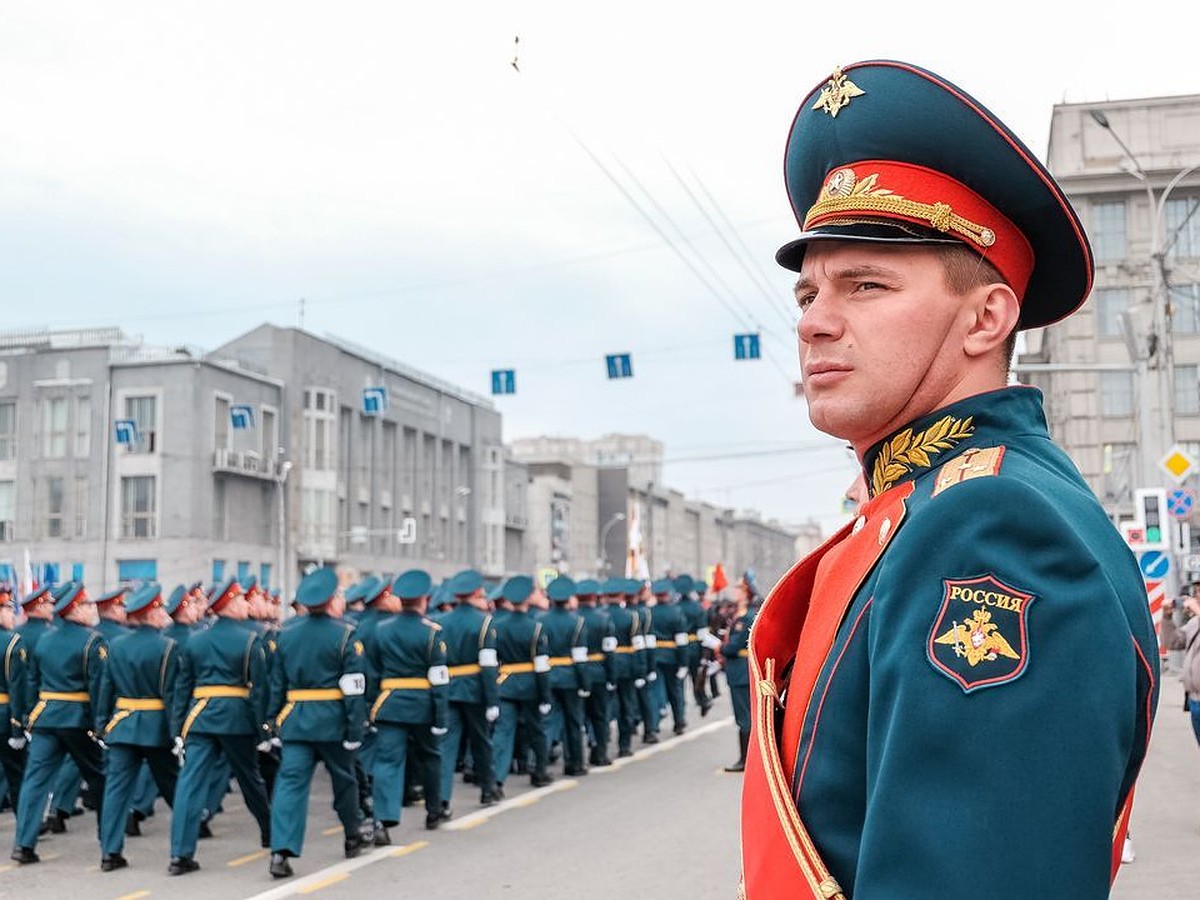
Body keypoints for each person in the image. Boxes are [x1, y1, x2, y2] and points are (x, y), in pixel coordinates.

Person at [739, 60, 1160, 898]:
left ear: (986, 316)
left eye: (866, 284)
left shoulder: (993, 526)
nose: (816, 321)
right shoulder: (923, 507)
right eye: (808, 291)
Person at [266, 567, 367, 879]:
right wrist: (355, 728)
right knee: (344, 780)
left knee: (290, 786)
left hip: (296, 721)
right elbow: (353, 688)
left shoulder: (285, 635)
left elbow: (276, 687)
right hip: (333, 721)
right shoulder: (346, 634)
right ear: (331, 599)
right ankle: (352, 834)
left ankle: (280, 852)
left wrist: (271, 724)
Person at [168, 577, 272, 876]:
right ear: (228, 604)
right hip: (236, 718)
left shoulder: (194, 640)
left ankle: (180, 854)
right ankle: (270, 833)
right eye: (240, 600)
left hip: (199, 717)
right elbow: (259, 690)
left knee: (190, 784)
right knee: (250, 779)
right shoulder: (251, 640)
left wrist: (177, 728)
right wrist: (264, 729)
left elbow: (182, 687)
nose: (245, 605)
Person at [11, 582, 107, 864]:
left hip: (45, 718)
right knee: (99, 777)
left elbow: (31, 682)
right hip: (79, 719)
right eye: (88, 605)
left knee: (35, 782)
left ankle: (23, 845)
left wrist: (29, 717)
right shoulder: (93, 641)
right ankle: (109, 841)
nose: (93, 609)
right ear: (75, 609)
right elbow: (98, 688)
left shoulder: (45, 640)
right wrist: (101, 726)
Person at [94, 582, 180, 872]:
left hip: (122, 725)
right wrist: (177, 731)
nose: (163, 613)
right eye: (159, 608)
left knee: (116, 791)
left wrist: (101, 725)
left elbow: (105, 689)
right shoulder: (167, 647)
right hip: (156, 727)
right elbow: (171, 694)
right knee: (175, 789)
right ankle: (182, 847)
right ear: (149, 612)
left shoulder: (116, 646)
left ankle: (109, 851)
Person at [367, 569, 449, 842]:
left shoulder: (381, 630)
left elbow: (374, 672)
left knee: (388, 761)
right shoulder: (432, 633)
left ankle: (382, 819)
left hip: (390, 703)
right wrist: (440, 716)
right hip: (423, 705)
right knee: (430, 756)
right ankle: (434, 810)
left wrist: (371, 706)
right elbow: (439, 680)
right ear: (425, 599)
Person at [437, 569, 501, 811]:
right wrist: (492, 699)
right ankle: (488, 789)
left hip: (448, 688)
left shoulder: (440, 622)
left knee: (446, 746)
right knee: (481, 741)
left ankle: (441, 799)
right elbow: (487, 665)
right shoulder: (484, 623)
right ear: (476, 593)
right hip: (474, 690)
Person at [490, 576, 552, 797]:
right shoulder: (536, 628)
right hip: (531, 685)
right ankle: (540, 771)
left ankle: (496, 780)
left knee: (503, 733)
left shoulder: (496, 626)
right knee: (537, 731)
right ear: (528, 598)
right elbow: (542, 666)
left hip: (504, 684)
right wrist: (545, 696)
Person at [540, 576, 589, 775]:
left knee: (546, 722)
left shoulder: (539, 621)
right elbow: (579, 657)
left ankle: (540, 765)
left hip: (548, 675)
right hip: (570, 677)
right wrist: (584, 683)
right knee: (574, 722)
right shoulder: (577, 622)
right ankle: (575, 763)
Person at [573, 579, 616, 767]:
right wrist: (611, 676)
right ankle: (599, 753)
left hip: (575, 673)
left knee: (576, 718)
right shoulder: (604, 619)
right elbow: (609, 652)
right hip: (598, 672)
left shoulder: (573, 618)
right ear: (594, 597)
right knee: (599, 716)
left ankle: (575, 758)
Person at [720, 579, 757, 773]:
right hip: (739, 670)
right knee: (744, 716)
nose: (735, 593)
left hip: (741, 670)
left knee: (744, 718)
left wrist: (721, 647)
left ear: (746, 593)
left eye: (739, 590)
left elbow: (734, 646)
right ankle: (746, 759)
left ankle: (746, 760)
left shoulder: (745, 618)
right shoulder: (739, 616)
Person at [0, 589, 28, 812]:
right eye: (9, 609)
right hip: (3, 717)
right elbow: (17, 689)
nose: (13, 615)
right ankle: (25, 828)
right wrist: (17, 728)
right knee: (16, 774)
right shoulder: (12, 644)